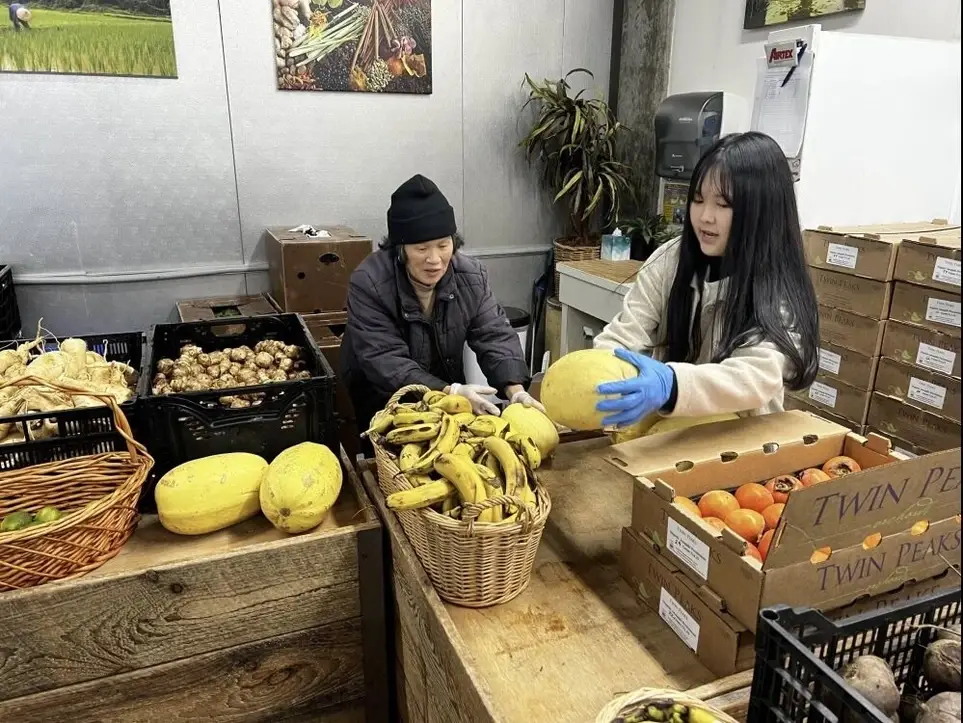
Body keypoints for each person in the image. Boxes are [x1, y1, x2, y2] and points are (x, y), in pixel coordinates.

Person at [592, 131, 819, 428]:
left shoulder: (778, 289)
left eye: (723, 205)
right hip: (666, 435)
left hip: (741, 444)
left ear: (761, 212)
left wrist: (671, 385)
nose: (705, 217)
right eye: (698, 200)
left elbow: (754, 376)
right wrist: (598, 375)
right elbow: (624, 336)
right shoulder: (670, 259)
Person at [341, 174, 542, 436]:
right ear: (400, 249)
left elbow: (494, 334)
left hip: (441, 381)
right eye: (421, 248)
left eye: (443, 245)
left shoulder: (470, 276)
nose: (434, 259)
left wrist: (515, 391)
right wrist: (451, 392)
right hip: (383, 393)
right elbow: (386, 362)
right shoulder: (369, 283)